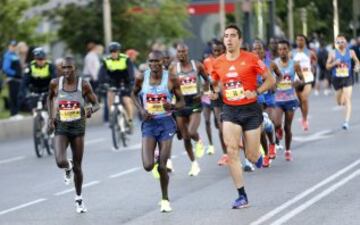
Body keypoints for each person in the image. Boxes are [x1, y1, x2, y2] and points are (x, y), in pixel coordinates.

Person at [211, 25, 275, 208]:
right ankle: (242, 196)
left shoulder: (251, 58)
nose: (229, 39)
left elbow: (271, 80)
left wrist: (257, 91)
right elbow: (213, 83)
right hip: (230, 110)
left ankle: (266, 127)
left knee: (252, 157)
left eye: (232, 36)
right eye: (226, 36)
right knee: (231, 150)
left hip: (251, 110)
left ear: (239, 40)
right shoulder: (218, 62)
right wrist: (214, 92)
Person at [131, 50, 185, 212]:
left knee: (162, 165)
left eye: (157, 62)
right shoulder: (142, 77)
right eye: (151, 62)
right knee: (148, 166)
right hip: (149, 124)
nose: (154, 65)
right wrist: (141, 109)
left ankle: (165, 199)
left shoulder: (172, 79)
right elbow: (133, 94)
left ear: (163, 62)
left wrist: (173, 106)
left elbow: (182, 101)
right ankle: (155, 158)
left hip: (166, 123)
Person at [47, 57, 100, 213]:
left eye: (69, 67)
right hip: (62, 126)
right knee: (60, 161)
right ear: (61, 69)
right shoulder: (55, 83)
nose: (66, 70)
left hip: (78, 127)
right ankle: (67, 166)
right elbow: (49, 98)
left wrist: (91, 109)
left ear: (75, 68)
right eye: (64, 68)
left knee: (78, 166)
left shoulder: (83, 84)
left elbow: (96, 103)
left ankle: (79, 199)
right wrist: (51, 117)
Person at [169, 43, 209, 176]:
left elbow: (207, 80)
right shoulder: (173, 68)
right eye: (178, 52)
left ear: (187, 52)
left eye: (183, 52)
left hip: (195, 104)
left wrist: (202, 92)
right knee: (185, 137)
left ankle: (199, 141)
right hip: (181, 105)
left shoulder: (197, 65)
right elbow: (169, 87)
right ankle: (194, 164)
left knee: (192, 132)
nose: (181, 54)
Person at [273, 40, 305, 161]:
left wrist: (298, 82)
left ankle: (287, 150)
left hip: (291, 99)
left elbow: (302, 79)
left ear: (288, 50)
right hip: (278, 99)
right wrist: (274, 84)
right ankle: (278, 130)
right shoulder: (274, 64)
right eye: (280, 49)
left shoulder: (295, 64)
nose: (282, 51)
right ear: (278, 51)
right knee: (277, 123)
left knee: (288, 127)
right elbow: (270, 79)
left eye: (285, 49)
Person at [252, 40, 281, 166]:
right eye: (255, 49)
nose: (257, 51)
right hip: (258, 98)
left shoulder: (271, 64)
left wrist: (275, 84)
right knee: (261, 127)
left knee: (274, 122)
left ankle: (273, 144)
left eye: (259, 49)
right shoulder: (251, 64)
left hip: (269, 98)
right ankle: (266, 154)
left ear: (264, 50)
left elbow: (280, 75)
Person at [326, 34, 360, 130]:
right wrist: (334, 63)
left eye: (342, 41)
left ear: (346, 43)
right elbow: (327, 66)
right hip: (336, 79)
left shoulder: (351, 52)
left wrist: (357, 66)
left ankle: (346, 122)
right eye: (338, 42)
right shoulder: (332, 53)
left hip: (347, 77)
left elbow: (357, 61)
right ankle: (342, 101)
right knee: (340, 102)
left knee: (348, 98)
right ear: (335, 43)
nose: (341, 43)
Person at [99, 42, 135, 130]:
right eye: (112, 51)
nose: (114, 53)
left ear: (119, 51)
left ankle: (130, 120)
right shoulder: (106, 60)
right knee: (110, 94)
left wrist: (131, 82)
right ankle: (112, 116)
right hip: (113, 81)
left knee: (126, 100)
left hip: (125, 81)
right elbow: (101, 73)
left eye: (115, 51)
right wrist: (102, 83)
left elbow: (131, 71)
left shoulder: (125, 58)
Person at [203, 40, 228, 165]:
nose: (217, 53)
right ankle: (225, 154)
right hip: (216, 97)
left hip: (230, 96)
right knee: (220, 126)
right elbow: (208, 80)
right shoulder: (209, 62)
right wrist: (210, 90)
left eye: (219, 50)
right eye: (215, 51)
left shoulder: (229, 60)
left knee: (234, 125)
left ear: (224, 50)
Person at [292, 34, 317, 131]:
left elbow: (315, 62)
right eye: (297, 40)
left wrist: (313, 69)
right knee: (300, 101)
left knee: (304, 98)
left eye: (301, 40)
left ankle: (305, 120)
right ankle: (303, 117)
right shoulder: (292, 53)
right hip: (297, 79)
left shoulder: (310, 52)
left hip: (307, 78)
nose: (299, 42)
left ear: (305, 41)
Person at [21, 47, 56, 113]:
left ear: (45, 58)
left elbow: (54, 79)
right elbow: (24, 81)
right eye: (39, 59)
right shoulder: (30, 66)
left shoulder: (50, 66)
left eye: (42, 59)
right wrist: (24, 92)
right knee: (33, 108)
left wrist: (53, 91)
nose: (41, 61)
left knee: (51, 108)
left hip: (47, 89)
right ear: (35, 59)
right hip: (35, 90)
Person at [2, 40, 23, 119]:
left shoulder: (15, 55)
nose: (13, 48)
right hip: (12, 79)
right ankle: (13, 114)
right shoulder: (8, 55)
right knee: (13, 96)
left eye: (14, 46)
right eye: (12, 46)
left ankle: (16, 113)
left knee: (17, 96)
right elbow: (5, 68)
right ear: (9, 46)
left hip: (17, 79)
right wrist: (15, 73)